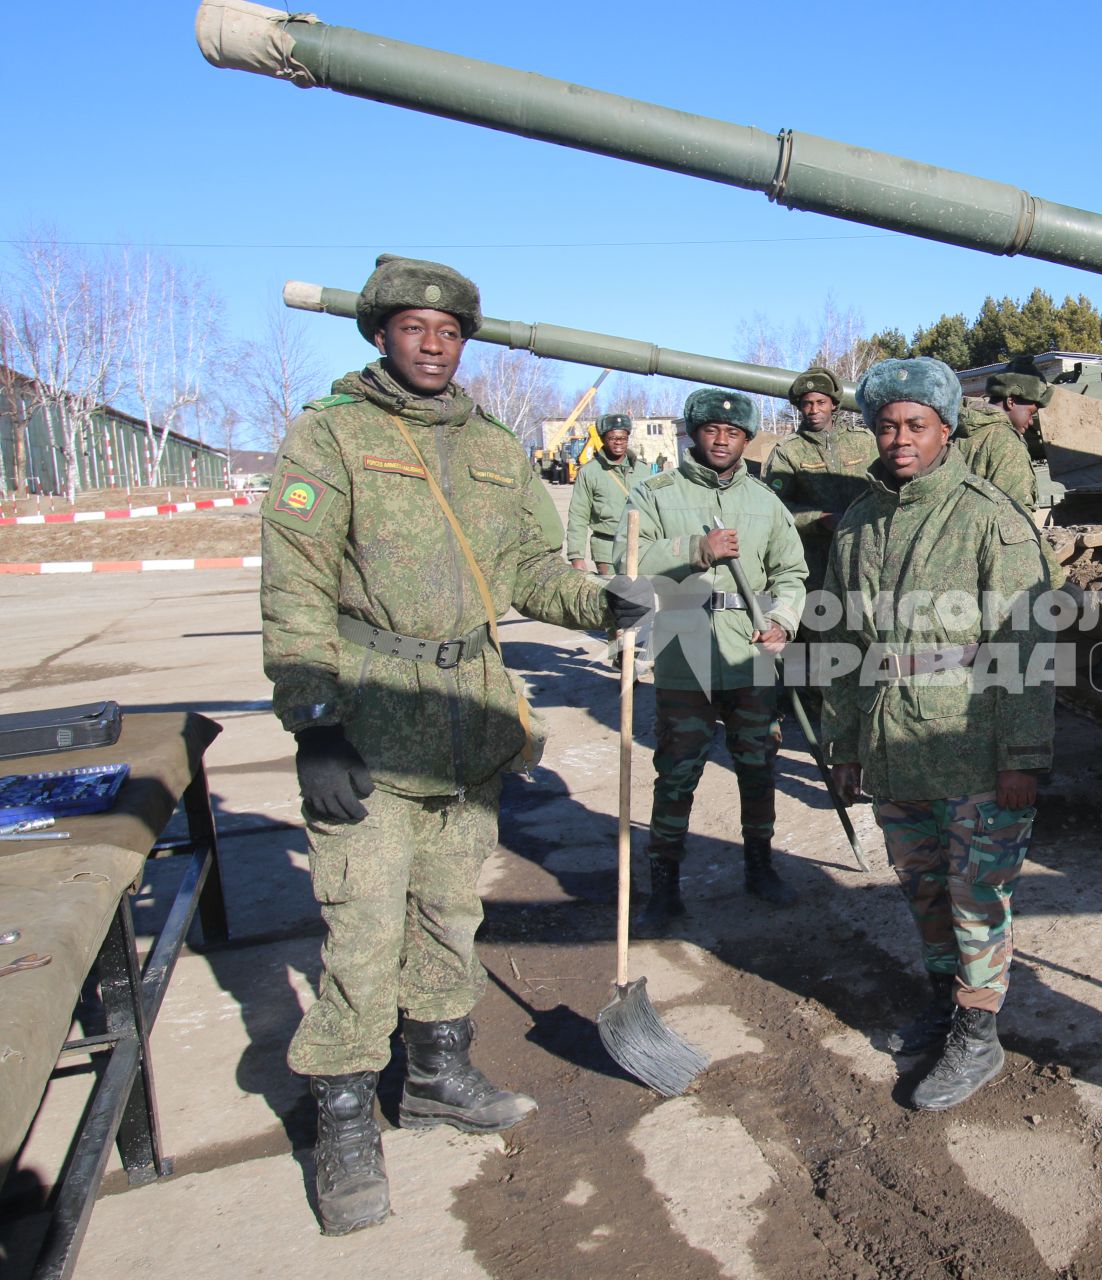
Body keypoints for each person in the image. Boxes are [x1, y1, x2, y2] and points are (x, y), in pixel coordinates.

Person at [260, 255, 651, 1236]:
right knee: (361, 923)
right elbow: (295, 585)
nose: (433, 344)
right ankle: (344, 1109)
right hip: (369, 708)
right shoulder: (332, 434)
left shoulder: (491, 445)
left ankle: (435, 1071)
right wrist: (314, 721)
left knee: (448, 907)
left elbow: (525, 564)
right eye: (412, 328)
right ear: (381, 334)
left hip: (468, 717)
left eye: (449, 332)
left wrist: (597, 604)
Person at [822, 357, 1054, 1112]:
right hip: (894, 741)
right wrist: (846, 744)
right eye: (887, 425)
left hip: (974, 742)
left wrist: (1022, 757)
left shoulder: (989, 516)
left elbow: (1025, 643)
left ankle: (978, 1035)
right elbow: (844, 643)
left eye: (916, 425)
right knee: (923, 888)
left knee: (977, 894)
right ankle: (945, 1001)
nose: (899, 438)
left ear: (946, 431)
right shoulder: (859, 522)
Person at [614, 387, 808, 935]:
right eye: (711, 431)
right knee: (676, 771)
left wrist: (784, 620)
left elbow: (791, 573)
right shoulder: (654, 493)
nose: (722, 440)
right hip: (683, 651)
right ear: (693, 434)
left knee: (758, 765)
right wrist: (695, 549)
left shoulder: (766, 503)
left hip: (750, 653)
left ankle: (760, 866)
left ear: (747, 440)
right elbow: (626, 562)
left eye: (734, 433)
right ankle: (665, 885)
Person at [762, 367, 877, 588]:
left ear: (834, 404)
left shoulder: (864, 441)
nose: (814, 409)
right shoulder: (788, 452)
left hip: (865, 550)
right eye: (807, 403)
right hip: (815, 561)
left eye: (821, 402)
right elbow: (774, 508)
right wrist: (819, 518)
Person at [567, 414, 639, 573]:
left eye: (623, 438)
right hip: (607, 550)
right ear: (603, 439)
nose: (618, 442)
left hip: (642, 548)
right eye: (613, 438)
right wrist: (576, 556)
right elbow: (578, 515)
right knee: (615, 596)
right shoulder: (589, 472)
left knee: (643, 595)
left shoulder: (643, 470)